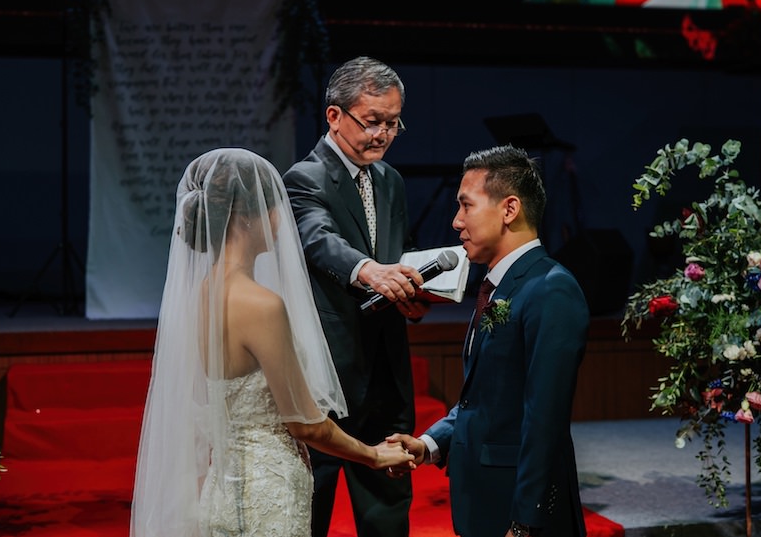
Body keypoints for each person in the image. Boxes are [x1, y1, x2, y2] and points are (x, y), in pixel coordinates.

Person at [129, 148, 415, 537]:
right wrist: (373, 455)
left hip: (221, 488)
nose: (282, 220)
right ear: (246, 219)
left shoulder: (201, 294)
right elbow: (305, 424)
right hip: (268, 491)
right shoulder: (260, 304)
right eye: (274, 206)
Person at [387, 145, 590, 537]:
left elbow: (544, 419)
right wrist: (429, 444)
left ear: (509, 210)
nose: (455, 221)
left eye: (466, 206)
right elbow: (481, 399)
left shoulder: (551, 289)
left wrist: (526, 522)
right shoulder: (497, 287)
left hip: (518, 512)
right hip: (481, 501)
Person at [282, 56, 430, 537]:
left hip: (385, 371)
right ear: (334, 116)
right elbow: (318, 240)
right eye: (372, 122)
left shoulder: (391, 181)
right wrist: (370, 271)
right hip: (327, 374)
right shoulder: (305, 178)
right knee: (312, 510)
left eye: (393, 123)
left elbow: (394, 255)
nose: (383, 134)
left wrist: (411, 292)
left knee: (388, 514)